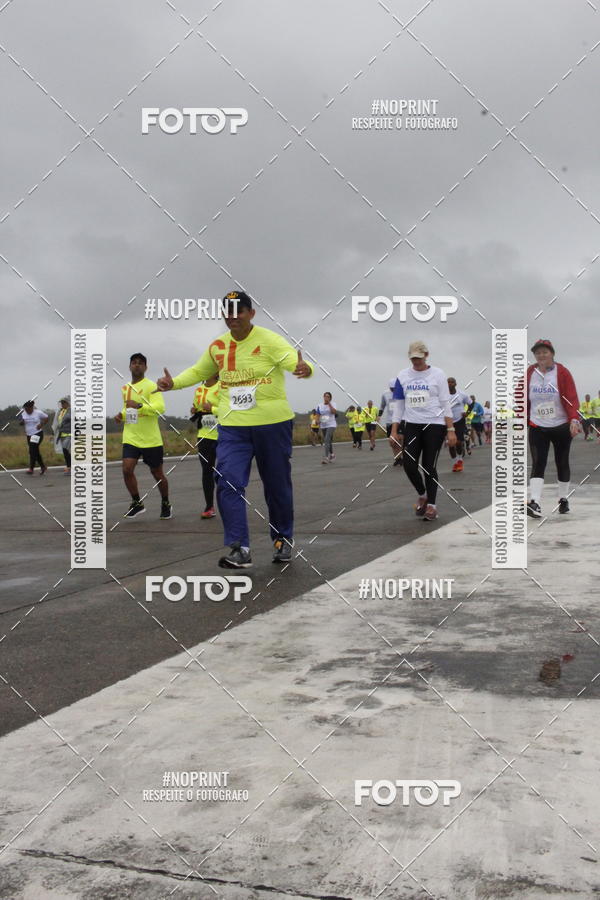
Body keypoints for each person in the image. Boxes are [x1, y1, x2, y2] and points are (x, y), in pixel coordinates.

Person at [155, 290, 313, 568]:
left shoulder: (270, 340)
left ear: (251, 313)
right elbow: (198, 371)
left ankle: (282, 539)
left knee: (276, 485)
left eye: (238, 310)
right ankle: (240, 548)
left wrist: (304, 368)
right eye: (227, 311)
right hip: (233, 427)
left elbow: (293, 361)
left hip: (272, 425)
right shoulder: (218, 346)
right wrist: (173, 383)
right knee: (227, 481)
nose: (232, 316)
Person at [390, 341, 456, 521]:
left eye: (419, 358)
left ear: (426, 355)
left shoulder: (438, 374)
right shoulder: (402, 375)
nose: (416, 361)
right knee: (409, 464)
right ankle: (423, 494)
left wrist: (450, 429)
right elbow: (399, 405)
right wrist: (394, 431)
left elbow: (445, 403)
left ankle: (432, 506)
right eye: (413, 358)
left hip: (435, 424)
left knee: (429, 466)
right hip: (412, 424)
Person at [525, 339, 580, 518]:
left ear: (552, 354)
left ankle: (563, 499)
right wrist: (521, 418)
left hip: (561, 425)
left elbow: (571, 396)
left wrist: (574, 419)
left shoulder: (562, 372)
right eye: (538, 353)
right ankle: (534, 502)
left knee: (561, 461)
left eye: (545, 352)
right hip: (537, 425)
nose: (541, 355)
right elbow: (521, 396)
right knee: (538, 462)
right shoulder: (530, 372)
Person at [116, 353, 172, 520]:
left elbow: (160, 408)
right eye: (134, 363)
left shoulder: (151, 386)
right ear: (129, 366)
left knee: (157, 473)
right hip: (131, 437)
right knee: (127, 469)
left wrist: (140, 405)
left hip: (150, 439)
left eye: (140, 363)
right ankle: (137, 503)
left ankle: (166, 503)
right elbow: (128, 409)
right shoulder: (125, 388)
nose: (137, 365)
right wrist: (121, 415)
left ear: (146, 367)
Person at [191, 375, 220, 518]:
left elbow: (230, 409)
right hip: (204, 435)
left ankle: (229, 502)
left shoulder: (223, 387)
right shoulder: (199, 390)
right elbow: (198, 408)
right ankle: (209, 507)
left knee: (225, 471)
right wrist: (194, 410)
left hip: (223, 434)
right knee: (207, 470)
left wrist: (212, 409)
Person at [19, 400, 48, 475]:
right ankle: (43, 467)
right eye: (25, 409)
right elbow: (21, 422)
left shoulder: (38, 412)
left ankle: (31, 469)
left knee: (32, 450)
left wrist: (41, 424)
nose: (26, 410)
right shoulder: (23, 413)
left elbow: (46, 418)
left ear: (32, 408)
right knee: (35, 451)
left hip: (37, 433)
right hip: (29, 435)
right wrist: (22, 422)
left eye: (28, 409)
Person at [447, 378, 470, 472]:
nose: (450, 384)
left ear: (455, 384)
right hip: (448, 421)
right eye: (448, 382)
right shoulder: (443, 395)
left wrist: (467, 413)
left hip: (460, 420)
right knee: (451, 443)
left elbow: (471, 404)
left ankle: (460, 460)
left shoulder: (462, 394)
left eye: (452, 382)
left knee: (458, 442)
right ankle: (455, 463)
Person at [379, 379, 402, 466]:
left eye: (394, 388)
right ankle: (397, 458)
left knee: (400, 439)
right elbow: (382, 406)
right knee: (392, 442)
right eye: (392, 388)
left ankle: (401, 457)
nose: (393, 390)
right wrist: (379, 416)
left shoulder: (402, 392)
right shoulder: (385, 394)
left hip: (400, 420)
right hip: (389, 421)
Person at [52, 396, 72, 474]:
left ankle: (69, 468)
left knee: (66, 450)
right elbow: (57, 423)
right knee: (65, 451)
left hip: (70, 434)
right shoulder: (61, 412)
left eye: (64, 403)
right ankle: (69, 466)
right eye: (62, 403)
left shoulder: (71, 411)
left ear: (68, 403)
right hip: (62, 434)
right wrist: (54, 431)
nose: (62, 404)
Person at [316, 392, 337, 464]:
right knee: (328, 441)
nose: (326, 398)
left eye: (328, 397)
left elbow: (334, 412)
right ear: (323, 397)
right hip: (323, 425)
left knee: (326, 440)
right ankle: (332, 455)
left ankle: (326, 457)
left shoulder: (333, 404)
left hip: (331, 424)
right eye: (325, 396)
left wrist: (329, 404)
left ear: (330, 398)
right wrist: (317, 420)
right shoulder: (320, 405)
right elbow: (318, 414)